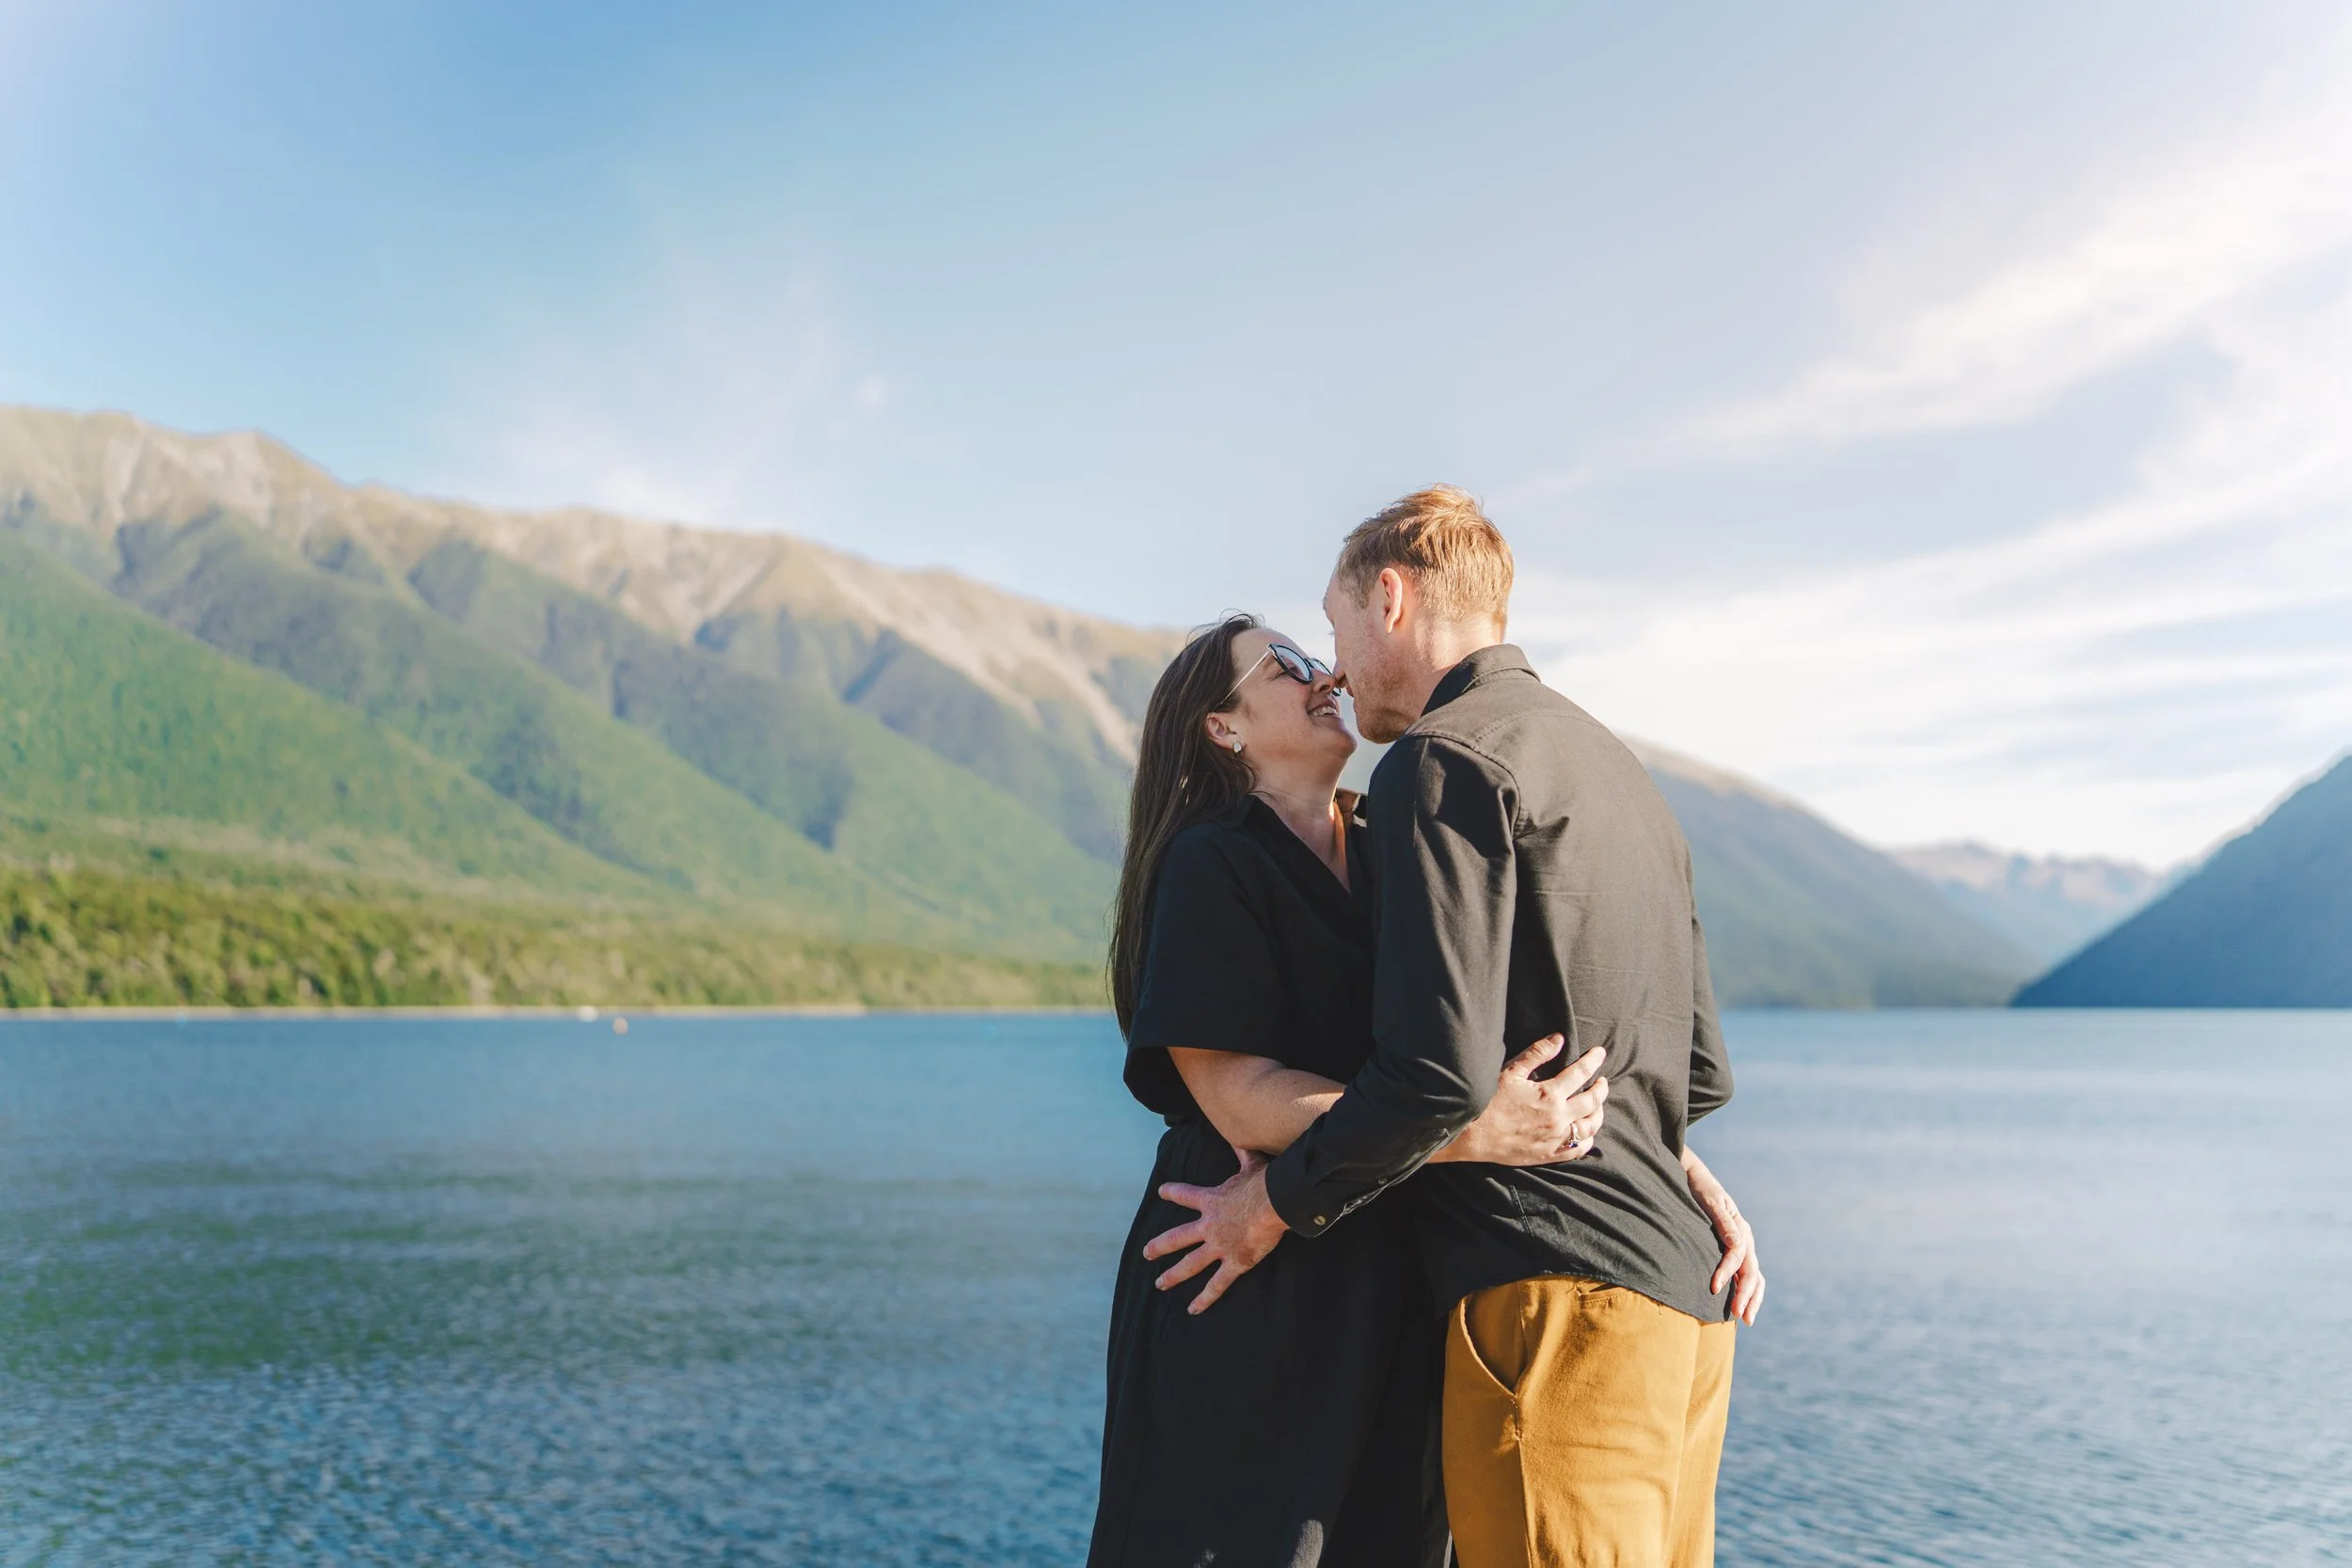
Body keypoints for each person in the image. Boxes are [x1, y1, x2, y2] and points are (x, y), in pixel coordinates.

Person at [1149, 488, 1764, 1568]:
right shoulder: (1617, 771)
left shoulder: (1443, 762)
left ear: (1390, 594)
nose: (1332, 665)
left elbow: (1432, 1079)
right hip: (1682, 1307)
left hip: (1550, 1297)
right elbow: (1692, 1064)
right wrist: (1666, 1161)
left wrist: (1271, 1206)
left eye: (1331, 631)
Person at [1087, 613, 1615, 1568]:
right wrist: (1465, 1132)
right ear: (1222, 727)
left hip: (1394, 1264)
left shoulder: (1395, 848)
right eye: (1285, 665)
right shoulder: (1212, 860)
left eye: (1314, 653)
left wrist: (1681, 1163)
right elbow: (1242, 1099)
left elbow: (1532, 1030)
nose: (1324, 670)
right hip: (1242, 1265)